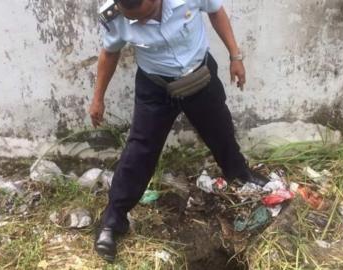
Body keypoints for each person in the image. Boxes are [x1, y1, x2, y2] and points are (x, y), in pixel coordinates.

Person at [90, 0, 269, 262]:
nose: (139, 23)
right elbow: (110, 53)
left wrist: (235, 56)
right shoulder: (117, 15)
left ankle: (240, 175)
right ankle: (113, 220)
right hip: (156, 88)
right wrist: (98, 98)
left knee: (221, 132)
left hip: (200, 78)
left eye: (144, 16)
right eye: (133, 19)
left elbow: (216, 12)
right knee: (139, 152)